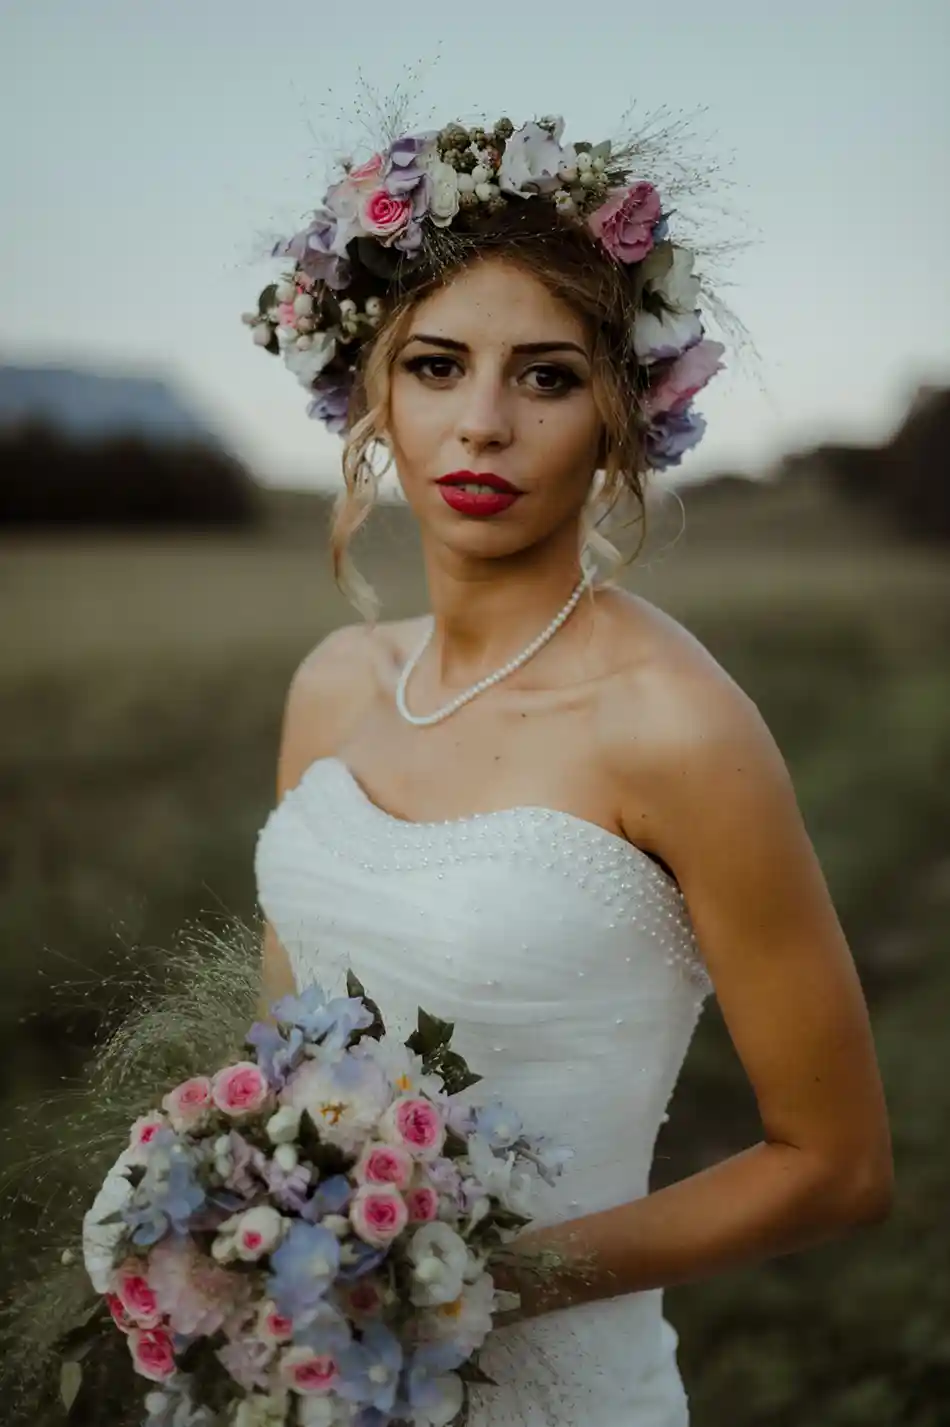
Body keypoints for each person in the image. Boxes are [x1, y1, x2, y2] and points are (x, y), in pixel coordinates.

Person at [251, 113, 893, 1426]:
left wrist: (469, 1279)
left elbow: (834, 1164)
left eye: (544, 376)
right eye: (436, 365)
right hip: (298, 1368)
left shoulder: (674, 725)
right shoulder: (329, 685)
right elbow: (281, 1060)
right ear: (372, 393)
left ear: (619, 413)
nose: (481, 423)